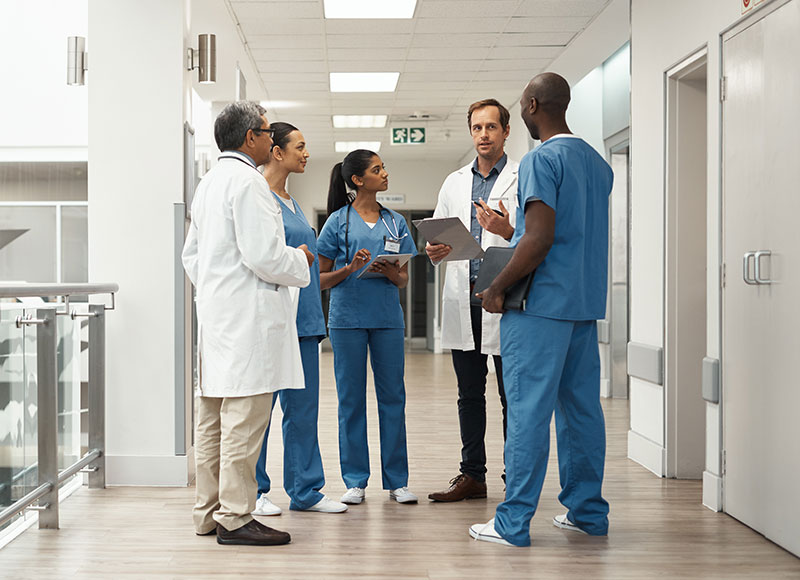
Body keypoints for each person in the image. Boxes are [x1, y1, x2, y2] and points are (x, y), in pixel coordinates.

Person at [469, 73, 613, 547]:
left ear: (531, 105)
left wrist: (495, 287)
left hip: (538, 305)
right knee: (581, 412)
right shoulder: (597, 162)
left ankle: (513, 523)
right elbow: (568, 234)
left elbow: (541, 238)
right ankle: (587, 513)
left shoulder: (540, 159)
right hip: (583, 305)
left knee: (528, 412)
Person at [182, 102, 314, 546]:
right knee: (242, 421)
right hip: (248, 322)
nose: (270, 139)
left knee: (213, 420)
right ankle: (236, 517)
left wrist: (220, 290)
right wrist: (300, 261)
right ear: (249, 138)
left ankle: (207, 513)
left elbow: (192, 257)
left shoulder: (208, 183)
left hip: (218, 319)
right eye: (265, 131)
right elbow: (265, 256)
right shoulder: (250, 183)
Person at [426, 99, 519, 502]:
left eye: (491, 127)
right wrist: (436, 250)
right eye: (477, 128)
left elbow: (535, 236)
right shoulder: (454, 182)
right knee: (469, 394)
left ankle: (515, 474)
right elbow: (441, 234)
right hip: (464, 300)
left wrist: (507, 228)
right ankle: (472, 475)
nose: (483, 134)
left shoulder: (522, 176)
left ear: (506, 131)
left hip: (504, 300)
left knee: (510, 395)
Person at [252, 122, 348, 516]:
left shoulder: (290, 200)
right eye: (300, 147)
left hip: (305, 321)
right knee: (259, 411)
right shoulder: (258, 198)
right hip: (273, 321)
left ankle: (306, 491)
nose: (306, 154)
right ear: (277, 151)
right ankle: (253, 490)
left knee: (303, 410)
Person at [317, 149, 418, 505]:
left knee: (394, 398)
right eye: (378, 169)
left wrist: (393, 272)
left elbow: (403, 279)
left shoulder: (396, 223)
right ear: (358, 180)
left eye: (384, 167)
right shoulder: (337, 223)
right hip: (347, 321)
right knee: (351, 401)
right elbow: (319, 280)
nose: (385, 173)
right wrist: (348, 269)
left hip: (388, 320)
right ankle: (356, 480)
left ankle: (397, 481)